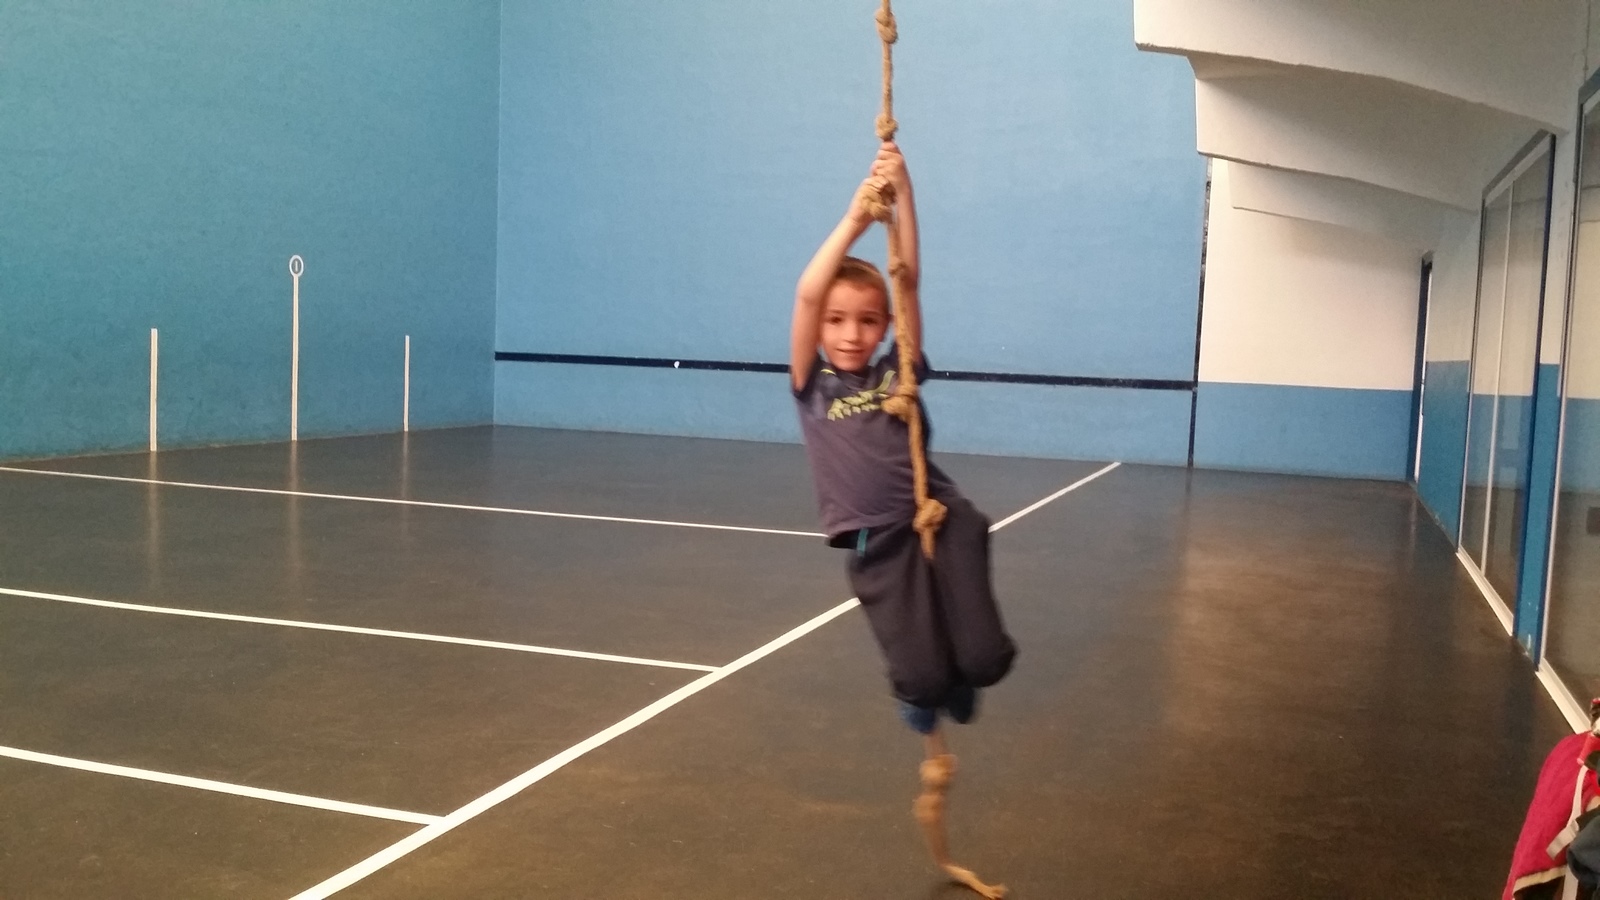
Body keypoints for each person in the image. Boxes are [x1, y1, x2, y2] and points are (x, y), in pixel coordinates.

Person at [789, 139, 1017, 761]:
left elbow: (906, 280)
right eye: (836, 320)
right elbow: (808, 293)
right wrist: (855, 219)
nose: (850, 334)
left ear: (886, 327)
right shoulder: (813, 385)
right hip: (879, 541)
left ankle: (964, 676)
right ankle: (929, 689)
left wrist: (906, 193)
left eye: (867, 320)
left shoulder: (897, 373)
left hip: (938, 517)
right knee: (919, 679)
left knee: (987, 659)